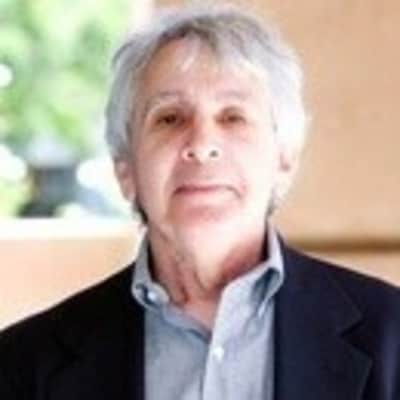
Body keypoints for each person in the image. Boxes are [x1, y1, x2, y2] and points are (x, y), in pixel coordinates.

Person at [1, 3, 399, 400]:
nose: (202, 144)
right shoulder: (22, 366)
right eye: (170, 118)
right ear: (126, 169)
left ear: (284, 159)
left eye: (233, 116)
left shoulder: (391, 337)